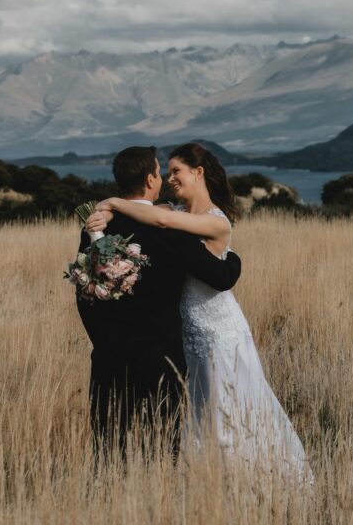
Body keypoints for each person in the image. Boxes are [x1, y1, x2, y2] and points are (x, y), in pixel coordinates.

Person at [86, 142, 312, 481]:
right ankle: (202, 484)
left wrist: (111, 203)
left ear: (199, 173)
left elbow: (161, 219)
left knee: (228, 415)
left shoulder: (213, 222)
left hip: (218, 329)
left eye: (177, 170)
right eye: (167, 171)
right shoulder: (173, 212)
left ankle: (244, 481)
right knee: (195, 418)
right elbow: (154, 212)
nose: (171, 177)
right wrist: (111, 214)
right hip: (184, 334)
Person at [75, 146, 242, 465]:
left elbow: (85, 295)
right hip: (160, 360)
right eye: (160, 172)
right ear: (151, 179)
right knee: (163, 452)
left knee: (108, 454)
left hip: (108, 359)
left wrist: (103, 340)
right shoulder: (171, 228)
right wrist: (232, 259)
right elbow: (219, 275)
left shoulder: (96, 227)